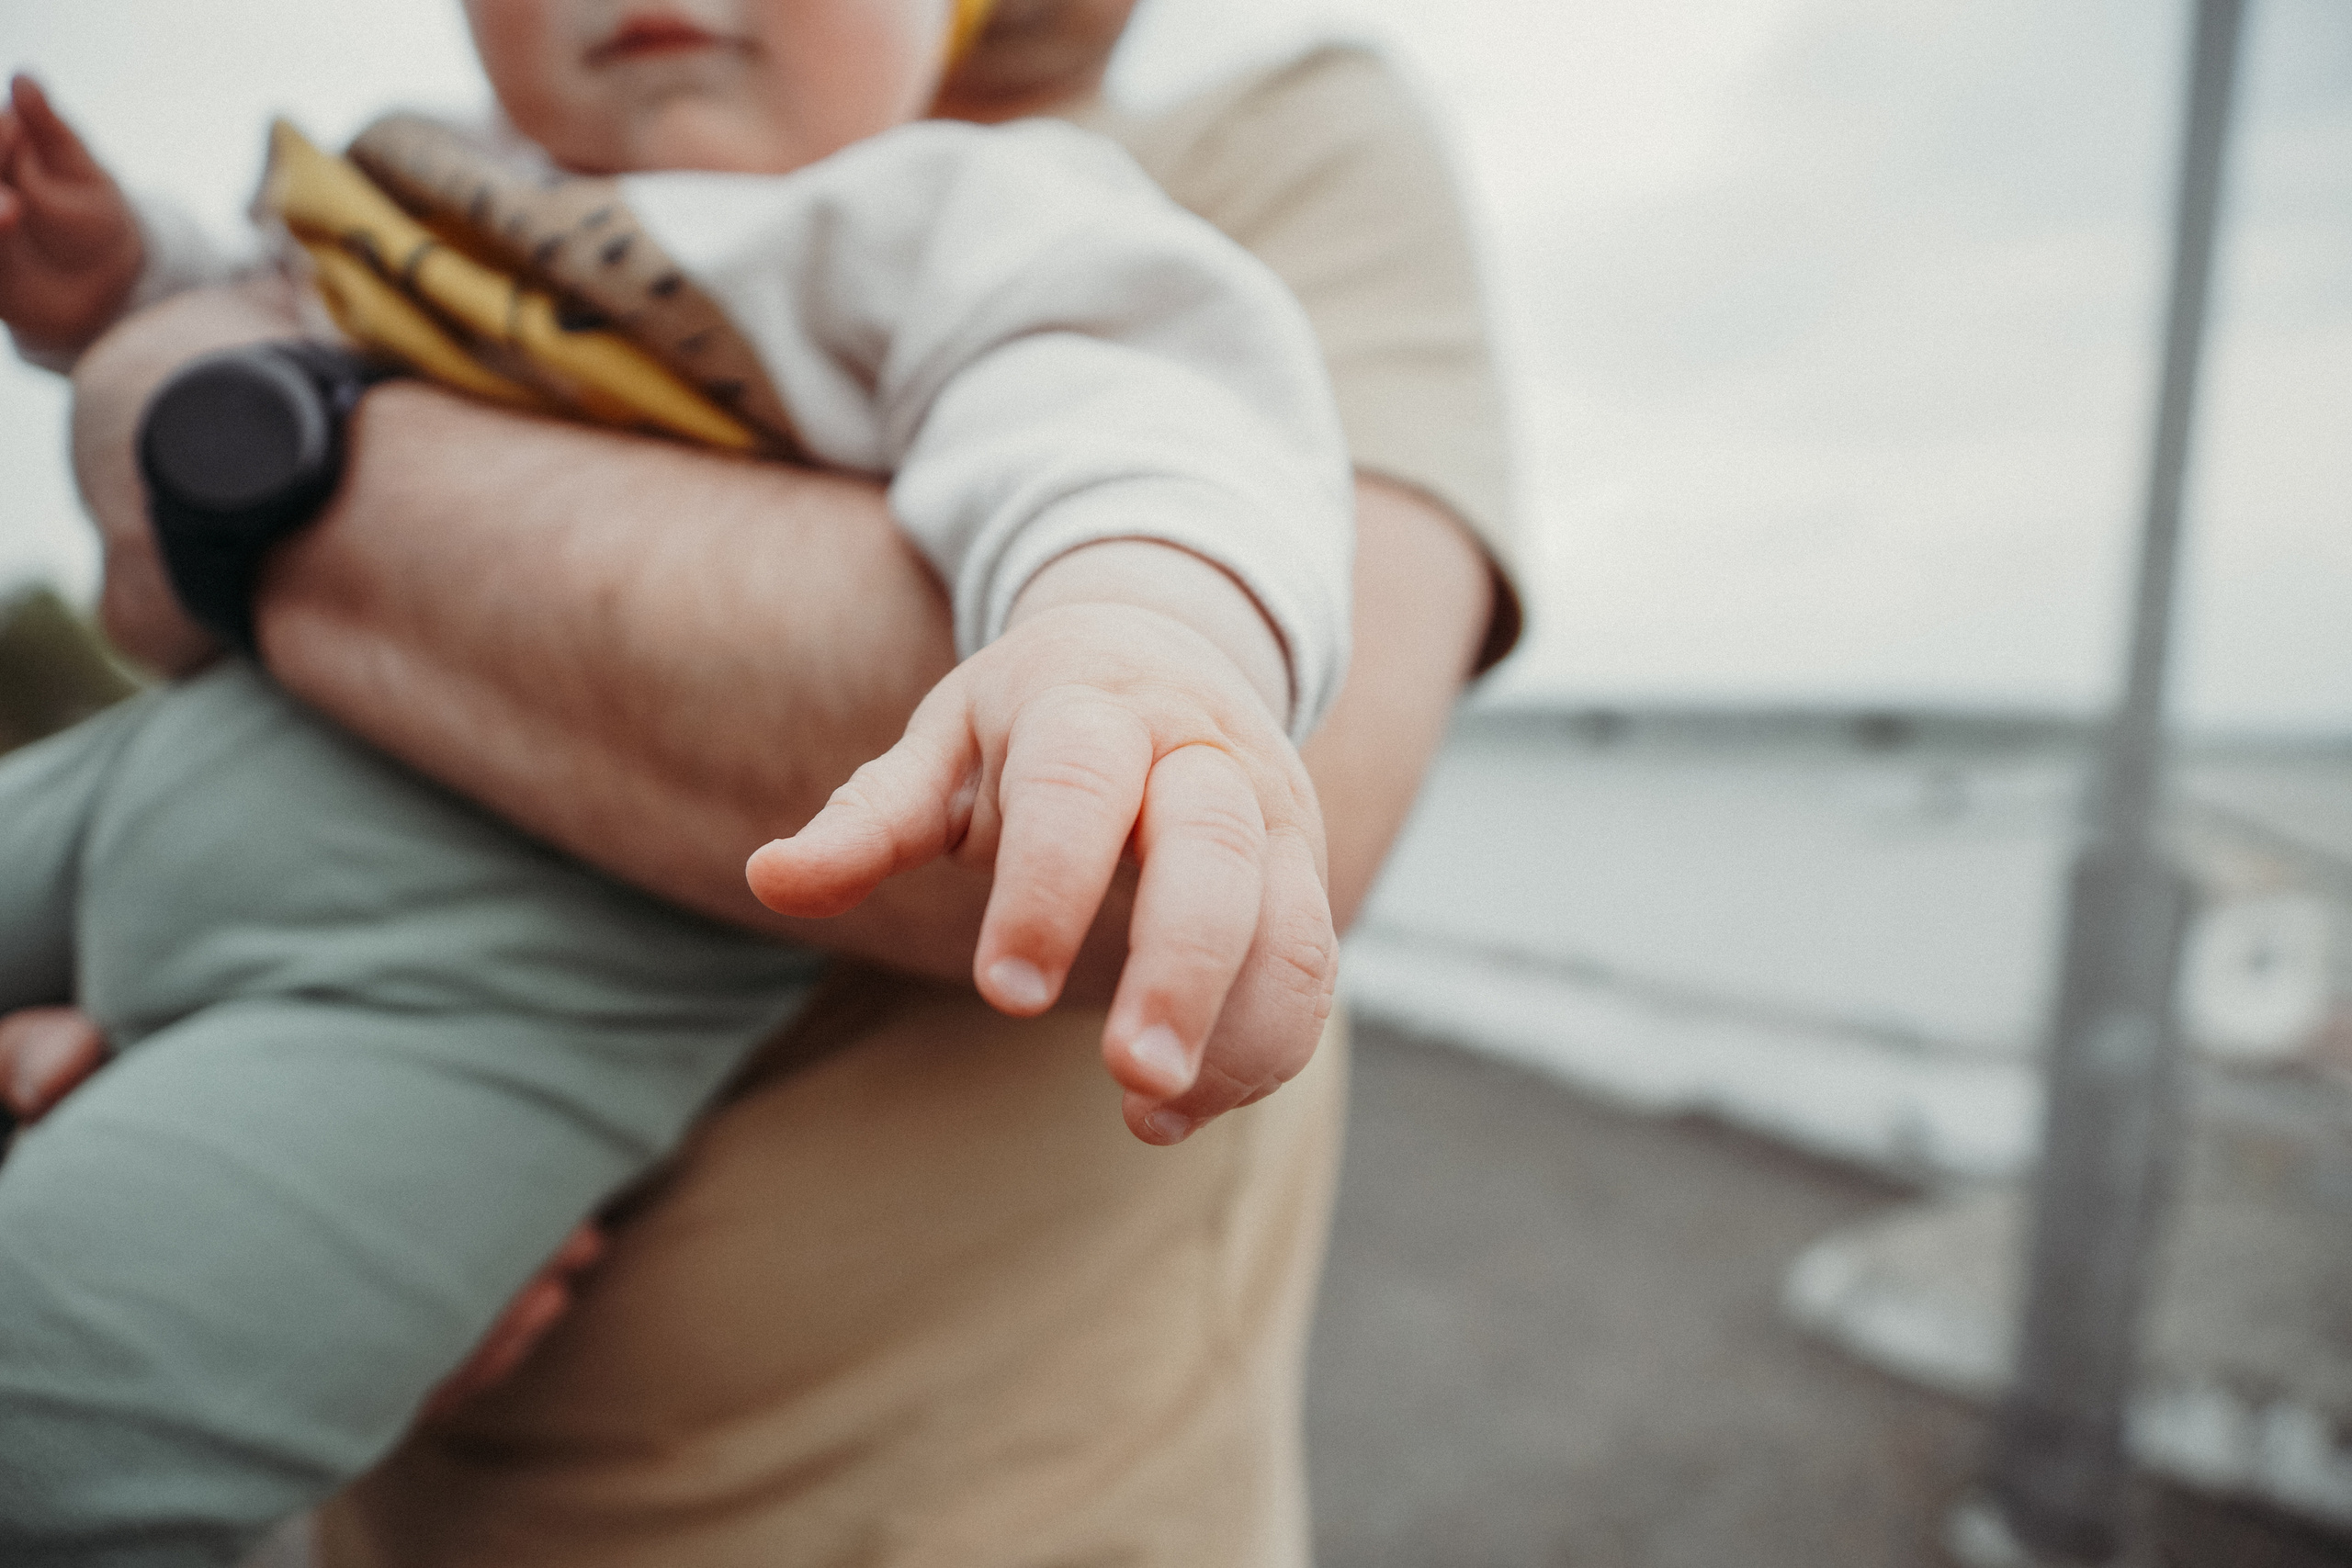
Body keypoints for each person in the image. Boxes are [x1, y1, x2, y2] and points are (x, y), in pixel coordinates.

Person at [33, 1, 1521, 1562]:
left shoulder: (979, 214)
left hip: (561, 1083)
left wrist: (1136, 636)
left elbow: (1133, 417)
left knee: (67, 1408)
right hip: (142, 800)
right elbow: (251, 286)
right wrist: (122, 278)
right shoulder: (432, 177)